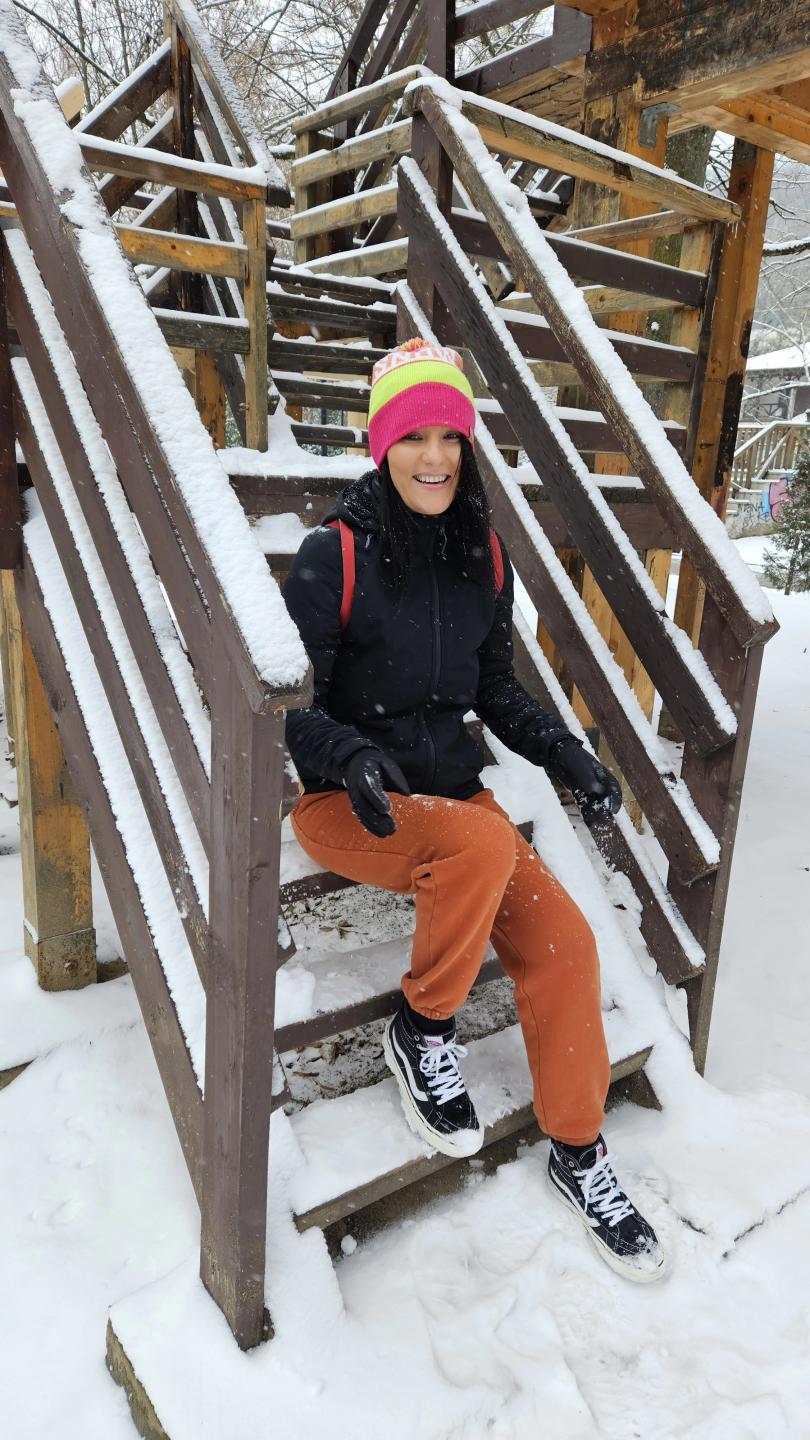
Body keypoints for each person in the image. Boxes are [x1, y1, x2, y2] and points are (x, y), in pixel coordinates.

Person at [282, 338, 665, 1283]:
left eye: (450, 436)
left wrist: (564, 751)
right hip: (349, 803)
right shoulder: (331, 557)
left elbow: (494, 690)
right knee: (477, 845)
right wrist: (351, 756)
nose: (435, 457)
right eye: (414, 436)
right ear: (383, 445)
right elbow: (293, 709)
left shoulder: (481, 555)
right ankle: (423, 1027)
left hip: (455, 805)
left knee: (567, 944)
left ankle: (578, 1149)